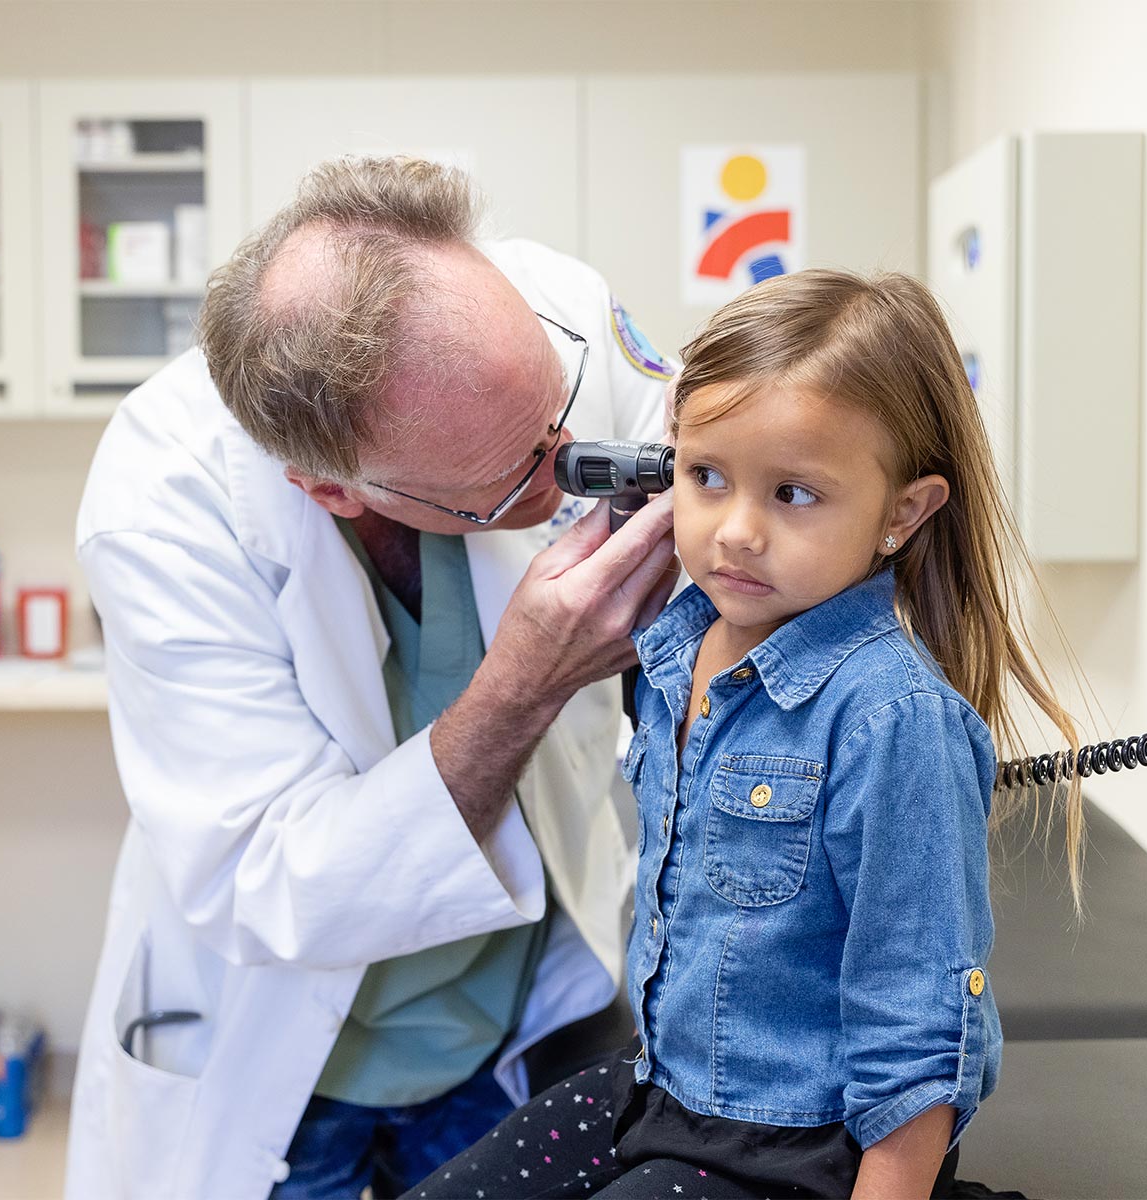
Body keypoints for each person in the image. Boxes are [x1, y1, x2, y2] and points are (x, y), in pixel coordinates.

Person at [65, 156, 682, 1200]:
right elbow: (271, 876)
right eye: (511, 481)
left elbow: (702, 455)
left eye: (557, 413)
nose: (567, 465)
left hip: (520, 1015)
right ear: (333, 490)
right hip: (289, 1052)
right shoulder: (162, 502)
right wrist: (525, 681)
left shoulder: (557, 315)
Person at [415, 269, 1085, 1200]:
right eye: (707, 476)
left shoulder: (891, 717)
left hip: (800, 1149)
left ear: (903, 512)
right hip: (663, 1090)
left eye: (795, 495)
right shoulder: (667, 648)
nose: (735, 532)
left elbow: (922, 1019)